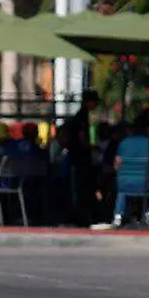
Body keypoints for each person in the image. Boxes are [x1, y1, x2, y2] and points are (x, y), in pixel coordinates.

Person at [111, 112, 149, 227]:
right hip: (147, 184)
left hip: (124, 183)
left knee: (122, 191)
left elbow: (116, 166)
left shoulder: (123, 143)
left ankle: (118, 214)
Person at [61, 90, 101, 226]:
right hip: (80, 158)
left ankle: (80, 214)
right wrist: (90, 147)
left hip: (78, 157)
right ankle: (80, 215)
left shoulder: (81, 116)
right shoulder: (82, 117)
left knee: (81, 186)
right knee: (81, 187)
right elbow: (81, 136)